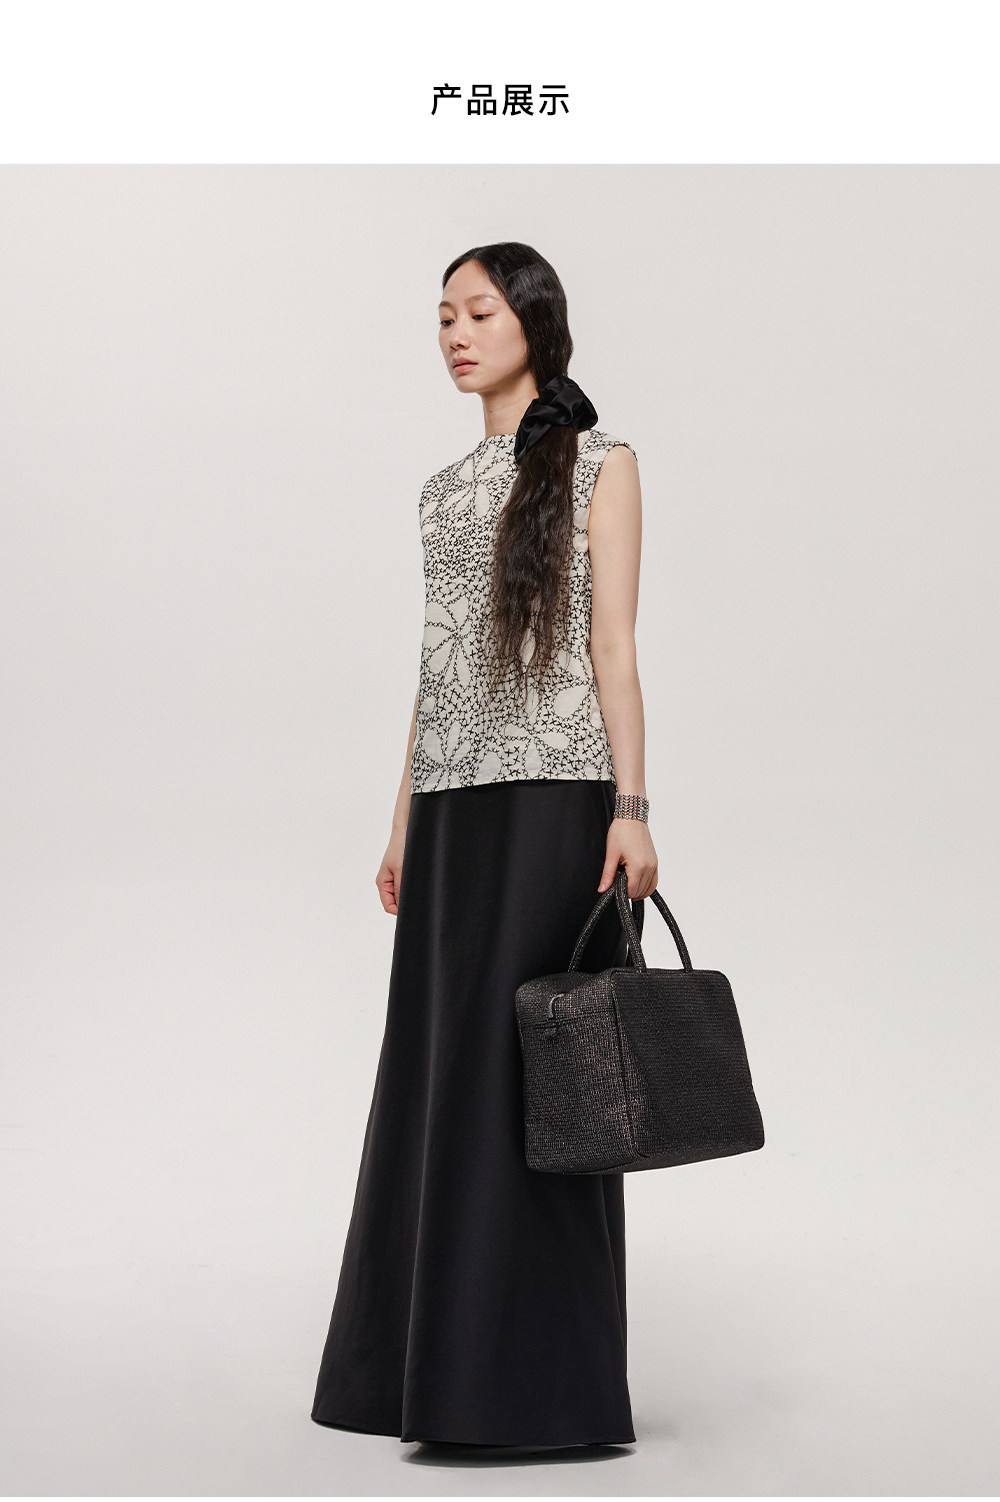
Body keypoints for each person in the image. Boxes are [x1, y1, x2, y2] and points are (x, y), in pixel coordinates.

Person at [310, 241, 658, 1452]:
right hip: (454, 807)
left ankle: (531, 1388)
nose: (456, 334)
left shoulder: (604, 462)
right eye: (443, 317)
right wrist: (402, 815)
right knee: (442, 1065)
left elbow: (613, 647)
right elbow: (438, 665)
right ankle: (419, 1372)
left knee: (543, 1079)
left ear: (534, 324)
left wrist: (632, 806)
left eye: (478, 312)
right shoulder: (441, 489)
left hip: (558, 799)